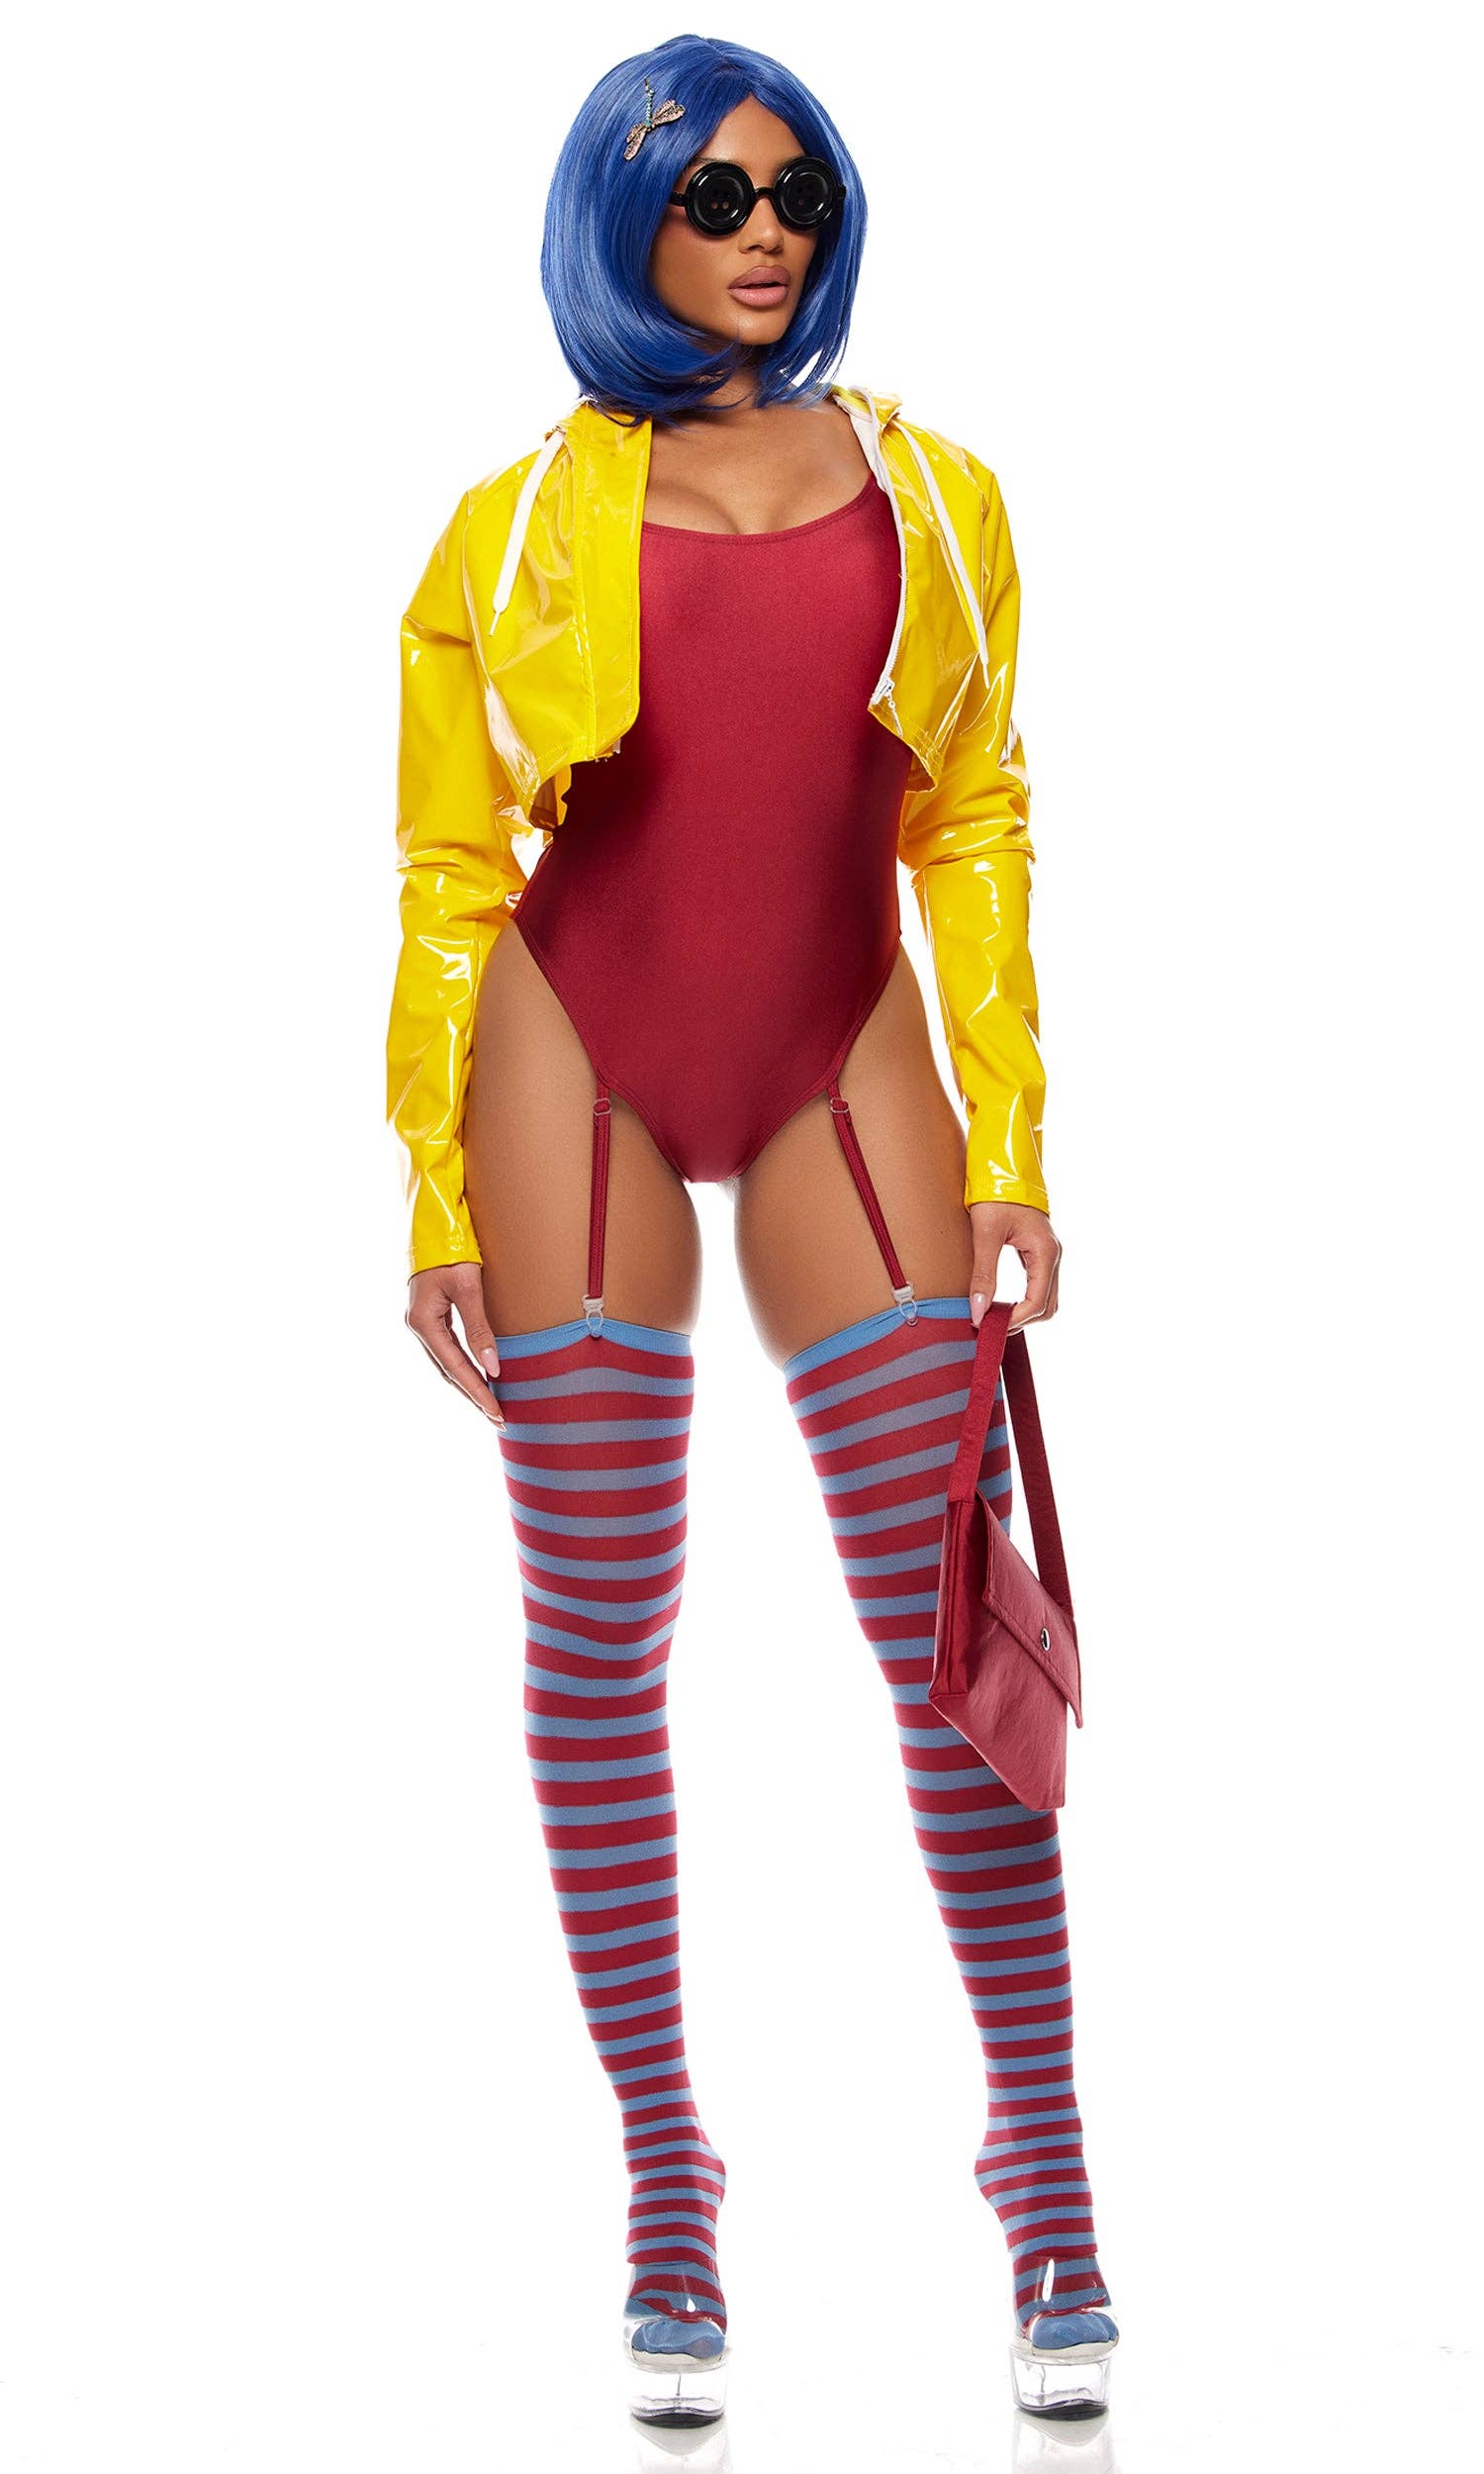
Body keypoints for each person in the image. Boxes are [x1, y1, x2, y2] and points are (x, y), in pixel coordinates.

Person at [386, 33, 1117, 2426]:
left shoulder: (938, 489)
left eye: (797, 189)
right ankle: (666, 2169)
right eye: (711, 195)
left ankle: (1045, 2157)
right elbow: (452, 868)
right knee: (601, 1635)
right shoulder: (513, 520)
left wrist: (1010, 1146)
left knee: (947, 1622)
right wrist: (431, 1181)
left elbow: (975, 818)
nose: (766, 228)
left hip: (841, 1060)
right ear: (622, 219)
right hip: (572, 1065)